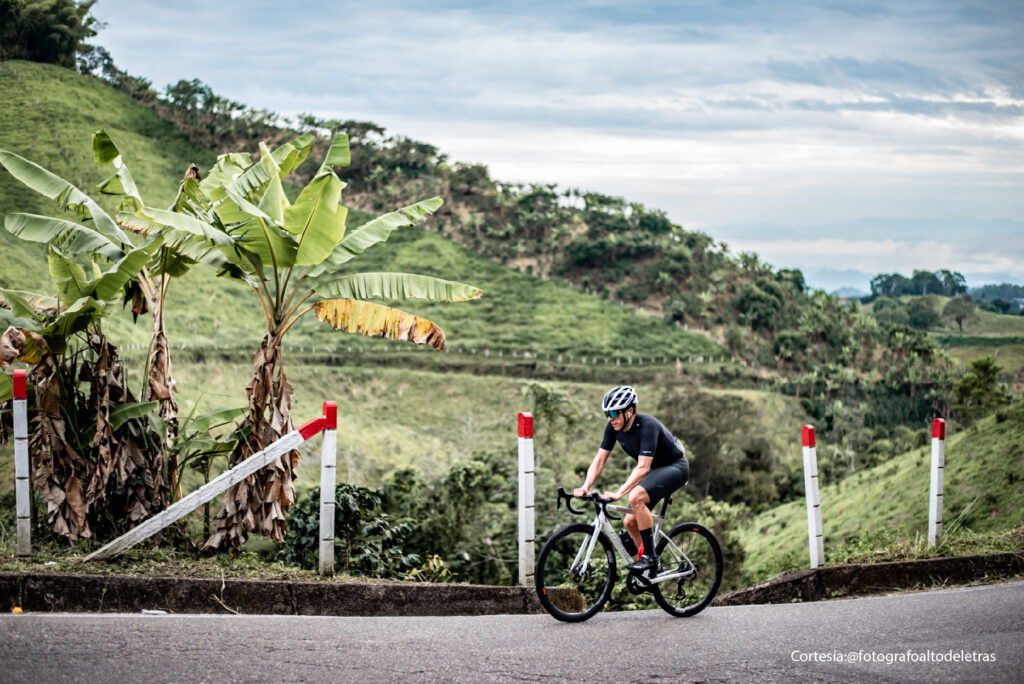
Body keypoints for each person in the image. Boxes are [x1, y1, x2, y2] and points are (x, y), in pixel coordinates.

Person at [574, 385, 689, 574]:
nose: (610, 418)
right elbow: (600, 459)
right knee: (630, 522)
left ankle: (650, 558)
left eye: (613, 413)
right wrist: (585, 486)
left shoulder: (648, 426)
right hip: (656, 470)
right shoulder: (613, 428)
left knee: (635, 497)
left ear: (629, 411)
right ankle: (651, 567)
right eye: (606, 414)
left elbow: (643, 467)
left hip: (676, 467)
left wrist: (619, 493)